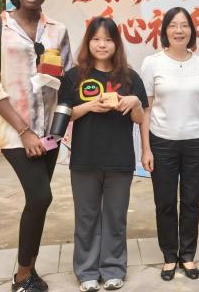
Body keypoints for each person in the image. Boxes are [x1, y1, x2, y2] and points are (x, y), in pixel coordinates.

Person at [0, 0, 73, 292]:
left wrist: (62, 125)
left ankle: (29, 269)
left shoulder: (57, 30)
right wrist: (24, 130)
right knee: (41, 196)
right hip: (15, 130)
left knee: (38, 202)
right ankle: (21, 275)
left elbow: (68, 76)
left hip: (50, 131)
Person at [59, 17, 148, 292]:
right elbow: (64, 115)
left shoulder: (130, 78)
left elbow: (140, 118)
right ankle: (86, 271)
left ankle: (113, 269)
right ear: (88, 42)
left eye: (108, 39)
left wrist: (134, 102)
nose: (102, 45)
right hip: (84, 160)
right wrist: (89, 106)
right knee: (86, 217)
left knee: (115, 217)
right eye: (96, 39)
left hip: (119, 159)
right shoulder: (74, 76)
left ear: (116, 44)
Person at [140, 7, 199, 281]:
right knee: (165, 202)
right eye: (173, 25)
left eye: (184, 25)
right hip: (162, 142)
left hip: (195, 142)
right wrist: (146, 148)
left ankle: (188, 255)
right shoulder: (152, 63)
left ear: (191, 31)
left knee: (192, 202)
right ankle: (170, 256)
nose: (179, 30)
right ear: (165, 30)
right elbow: (146, 109)